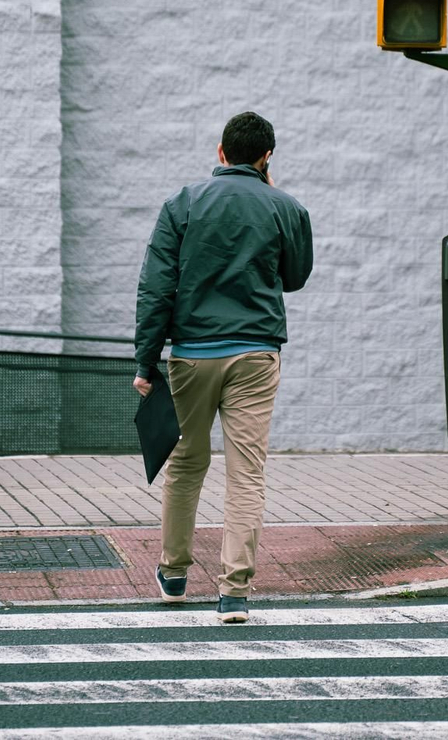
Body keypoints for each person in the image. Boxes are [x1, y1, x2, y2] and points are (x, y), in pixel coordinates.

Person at [133, 111, 313, 623]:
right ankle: (234, 592)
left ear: (220, 152)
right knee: (247, 471)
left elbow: (155, 287)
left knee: (186, 463)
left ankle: (173, 574)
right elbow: (296, 277)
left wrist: (146, 360)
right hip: (255, 353)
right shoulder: (286, 207)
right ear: (266, 157)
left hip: (192, 354)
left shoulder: (183, 203)